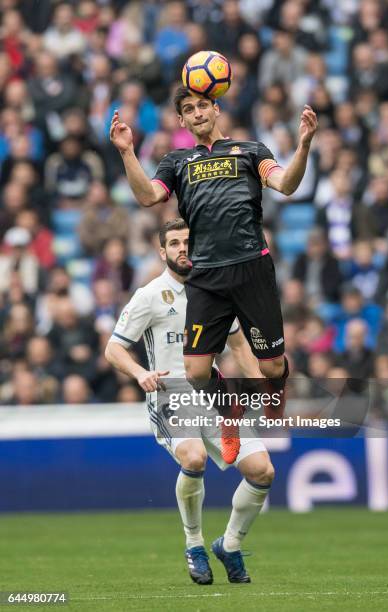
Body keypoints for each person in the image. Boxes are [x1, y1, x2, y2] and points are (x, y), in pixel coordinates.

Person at [110, 85, 318, 461]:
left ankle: (276, 387)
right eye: (189, 109)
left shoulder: (251, 151)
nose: (197, 113)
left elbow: (286, 184)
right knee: (197, 372)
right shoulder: (176, 161)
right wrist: (127, 153)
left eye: (203, 105)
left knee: (271, 366)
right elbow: (147, 197)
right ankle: (231, 409)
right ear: (181, 120)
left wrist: (303, 145)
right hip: (206, 275)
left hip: (252, 266)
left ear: (216, 108)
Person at [105, 219, 275, 586]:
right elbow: (114, 347)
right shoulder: (149, 295)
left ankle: (229, 546)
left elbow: (239, 344)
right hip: (170, 396)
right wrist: (139, 373)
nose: (183, 248)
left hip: (213, 395)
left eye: (188, 242)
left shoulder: (215, 292)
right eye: (175, 243)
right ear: (162, 251)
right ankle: (194, 545)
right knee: (194, 457)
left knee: (263, 472)